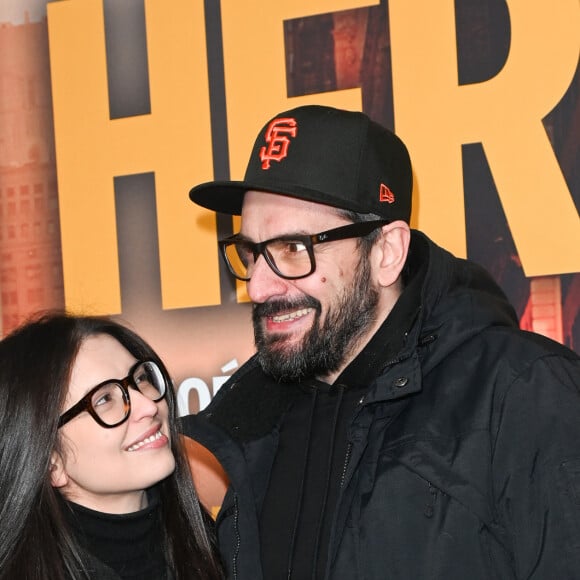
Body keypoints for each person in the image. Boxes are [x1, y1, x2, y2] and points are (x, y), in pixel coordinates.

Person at [183, 104, 580, 580]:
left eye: (293, 249)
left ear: (387, 252)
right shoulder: (248, 428)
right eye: (251, 253)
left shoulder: (523, 392)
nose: (260, 287)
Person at [0, 312, 223, 580]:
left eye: (141, 378)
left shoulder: (217, 544)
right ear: (51, 463)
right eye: (104, 399)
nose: (149, 405)